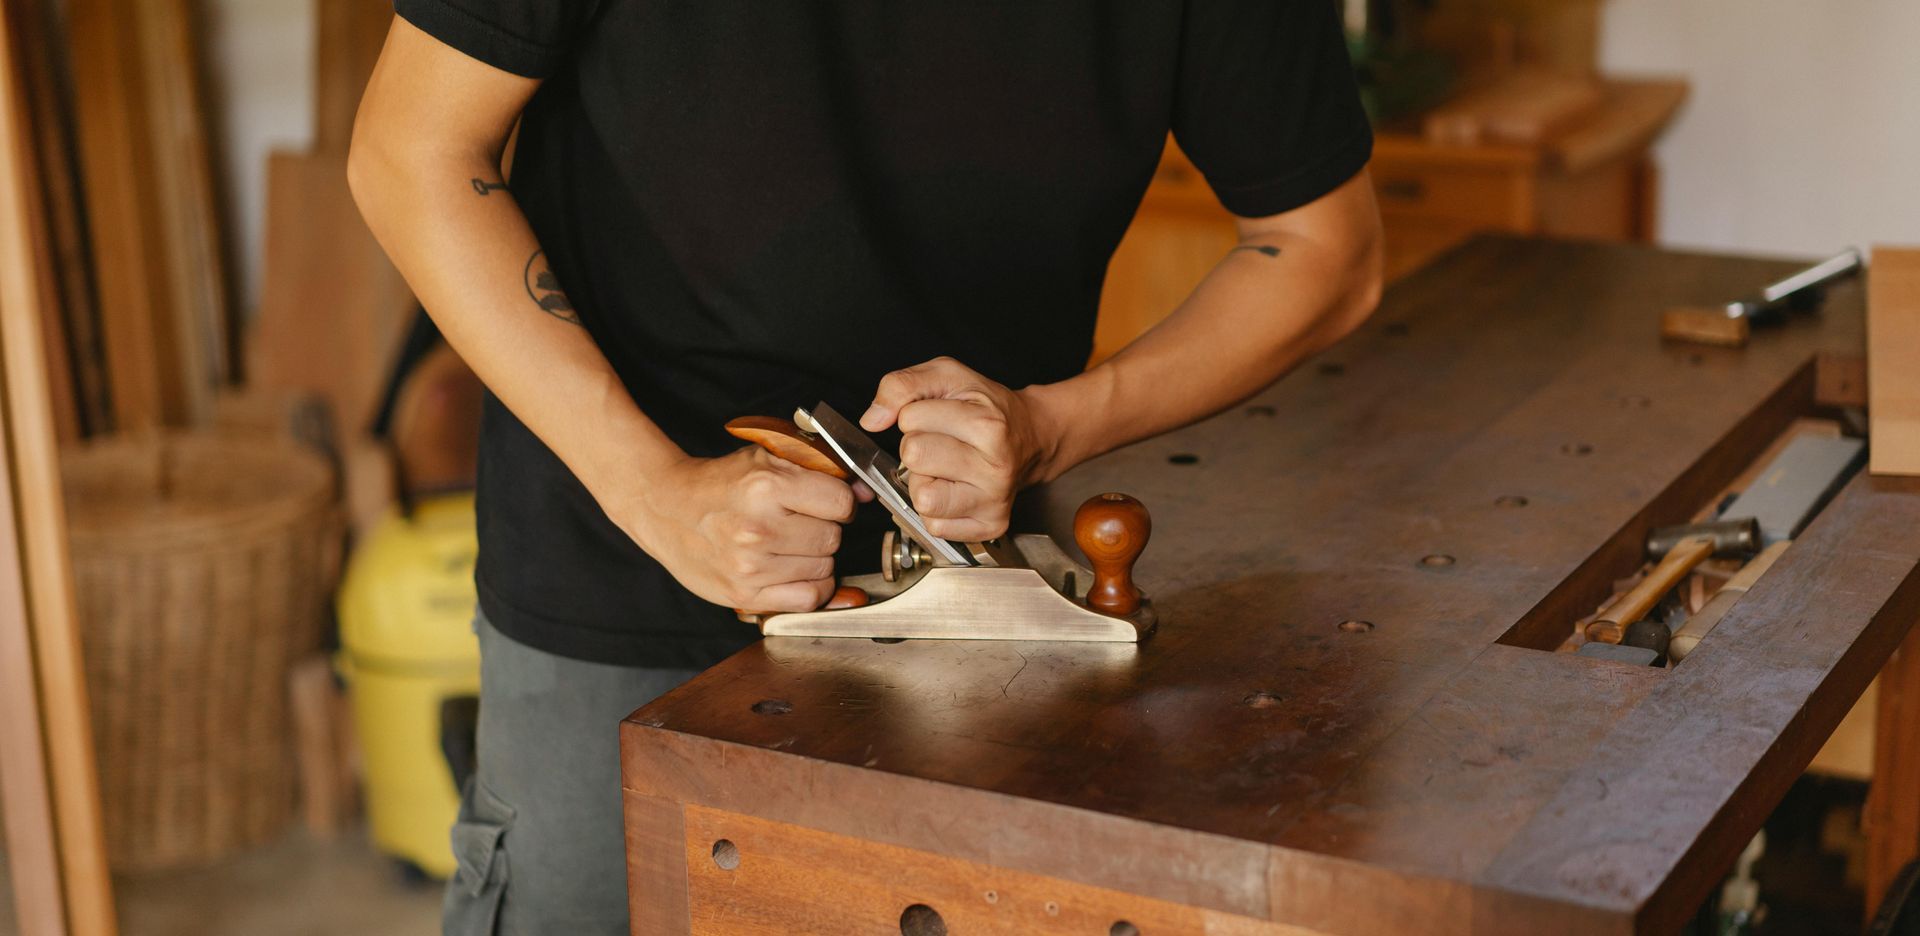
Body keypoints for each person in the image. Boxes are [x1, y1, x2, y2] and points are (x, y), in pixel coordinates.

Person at [349, 3, 1382, 933]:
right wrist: (652, 491)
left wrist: (1052, 426)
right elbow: (412, 149)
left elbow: (1324, 245)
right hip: (623, 556)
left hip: (977, 569)